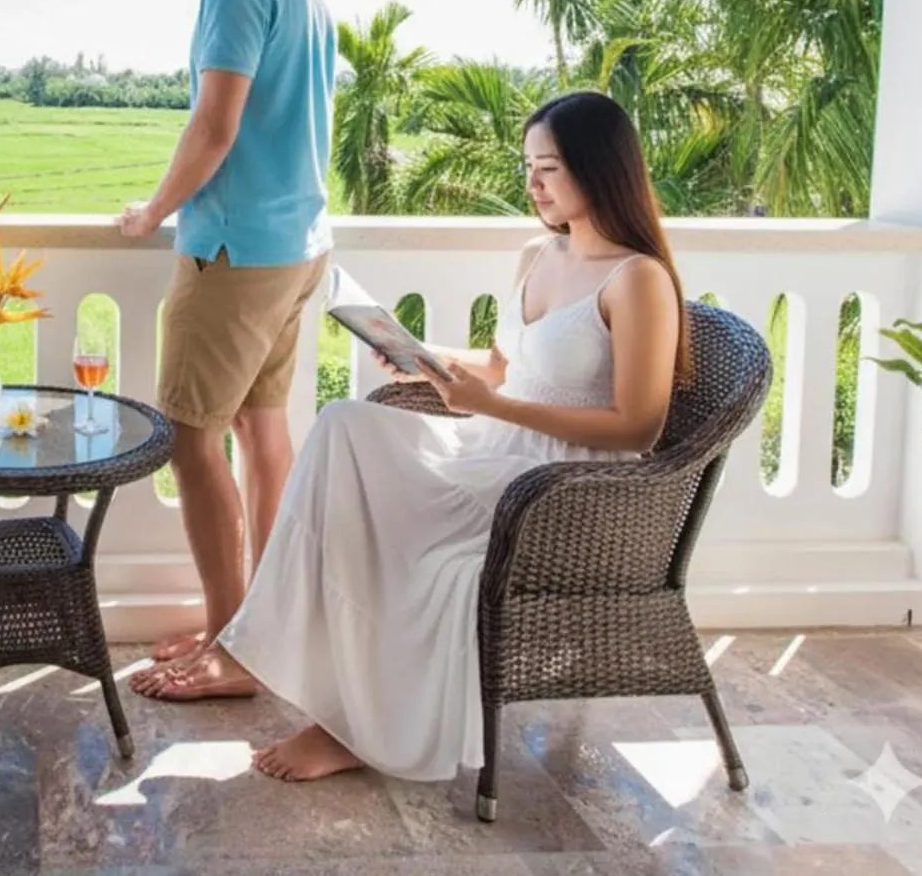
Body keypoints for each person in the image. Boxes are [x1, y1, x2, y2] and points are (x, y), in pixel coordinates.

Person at [137, 90, 688, 789]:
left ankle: (359, 729)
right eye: (528, 165)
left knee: (421, 544)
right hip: (497, 444)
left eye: (548, 167)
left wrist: (494, 404)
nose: (533, 182)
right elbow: (504, 364)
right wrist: (422, 355)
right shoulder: (538, 254)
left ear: (598, 166)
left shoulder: (638, 279)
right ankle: (266, 648)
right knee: (344, 425)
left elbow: (640, 424)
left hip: (563, 487)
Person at [117, 0, 338, 686]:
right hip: (297, 248)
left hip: (235, 250)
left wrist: (152, 211)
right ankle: (257, 628)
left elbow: (216, 126)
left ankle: (233, 646)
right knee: (262, 429)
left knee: (190, 438)